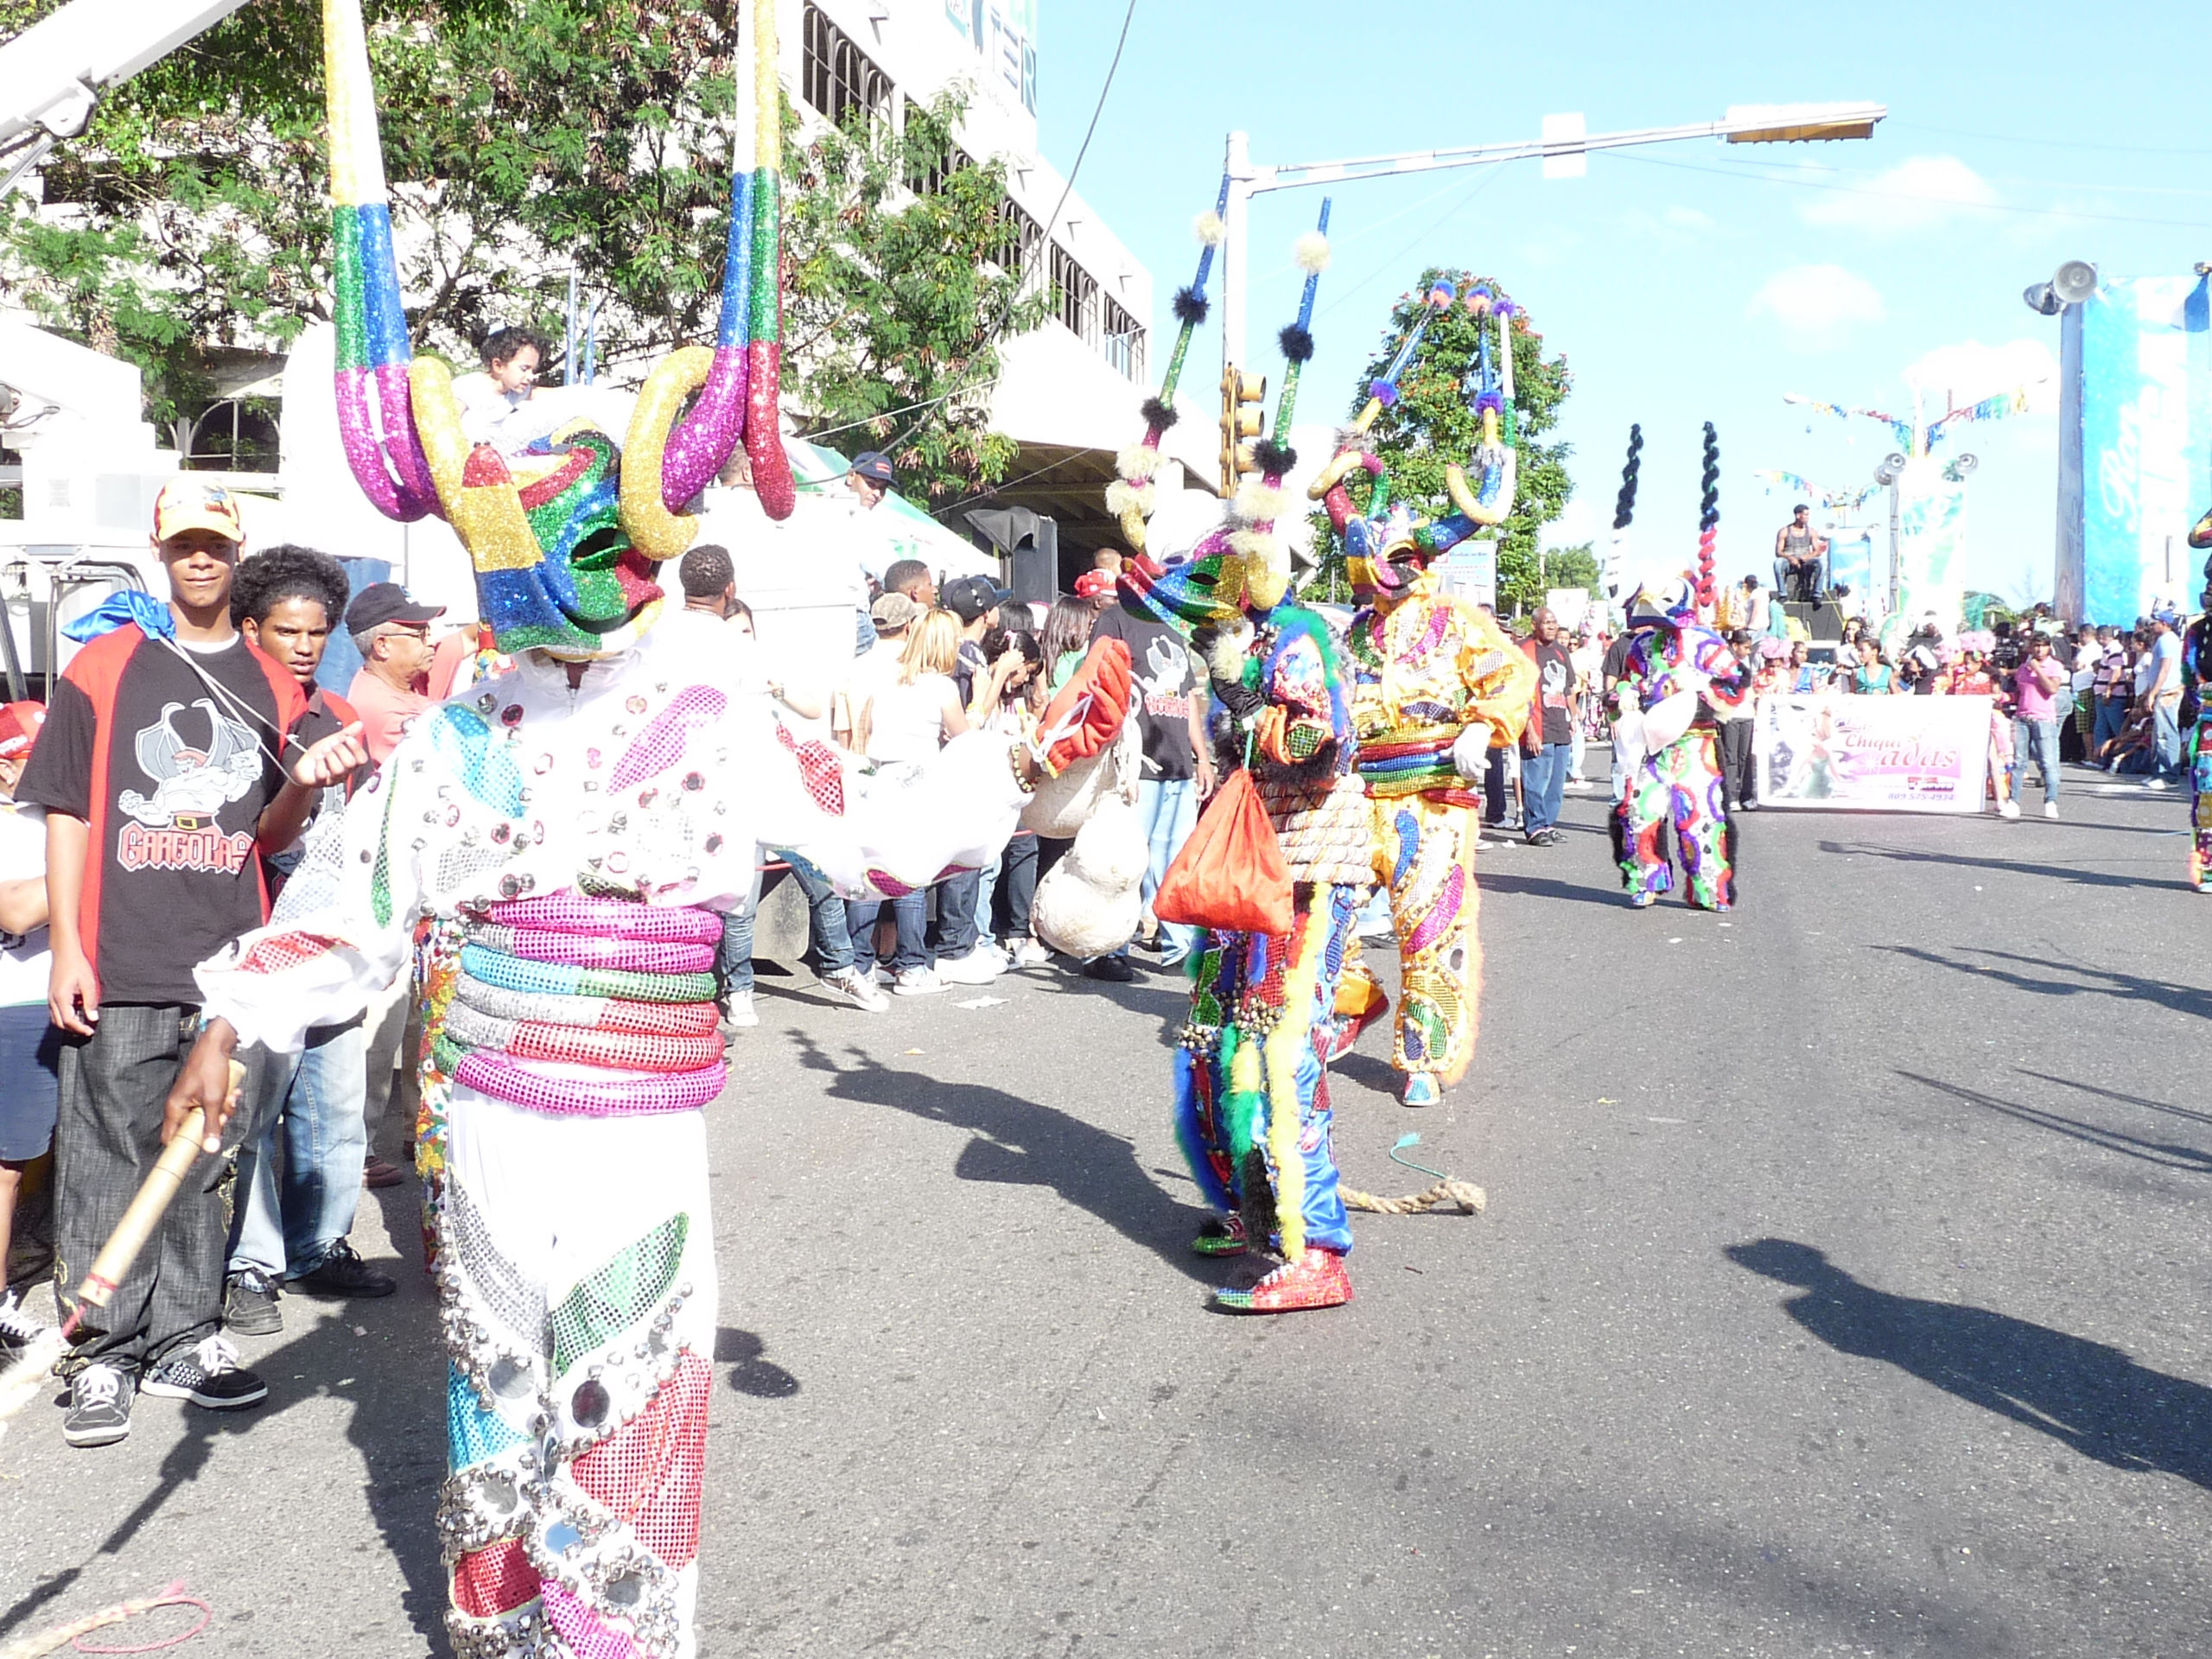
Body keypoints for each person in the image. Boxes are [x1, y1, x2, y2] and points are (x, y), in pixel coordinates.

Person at [20, 477, 365, 1448]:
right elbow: (67, 810)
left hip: (229, 973)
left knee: (208, 1159)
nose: (200, 559)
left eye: (215, 544)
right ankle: (101, 1353)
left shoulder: (276, 678)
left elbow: (273, 831)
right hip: (120, 958)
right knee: (105, 1157)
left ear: (237, 546)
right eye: (184, 546)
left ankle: (185, 1336)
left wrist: (302, 784)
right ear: (160, 551)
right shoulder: (107, 664)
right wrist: (71, 951)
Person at [221, 547, 394, 1335]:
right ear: (250, 627)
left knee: (331, 1103)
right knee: (256, 1107)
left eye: (318, 632)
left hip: (331, 940)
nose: (303, 645)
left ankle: (318, 1245)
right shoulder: (225, 717)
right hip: (251, 938)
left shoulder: (339, 718)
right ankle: (251, 1264)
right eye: (286, 630)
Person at [1090, 571, 1216, 970]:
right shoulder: (1115, 620)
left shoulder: (1177, 625)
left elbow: (1188, 696)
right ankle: (1109, 948)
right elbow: (1099, 682)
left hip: (1177, 765)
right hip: (1135, 765)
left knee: (1175, 861)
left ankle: (1177, 943)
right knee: (1124, 864)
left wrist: (1202, 756)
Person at [848, 609, 971, 995]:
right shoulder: (942, 688)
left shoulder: (888, 681)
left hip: (882, 777)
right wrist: (982, 703)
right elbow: (964, 738)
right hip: (920, 780)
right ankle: (912, 965)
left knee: (874, 872)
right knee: (912, 877)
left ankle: (859, 963)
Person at [1609, 575, 1749, 910]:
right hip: (1652, 749)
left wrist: (1701, 691)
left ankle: (1710, 888)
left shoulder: (1705, 643)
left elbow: (1736, 684)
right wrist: (1624, 696)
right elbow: (1628, 682)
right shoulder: (1641, 646)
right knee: (1640, 814)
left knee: (1701, 818)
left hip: (1695, 746)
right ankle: (1647, 880)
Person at [932, 576, 1021, 985]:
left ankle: (963, 943)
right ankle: (956, 947)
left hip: (959, 770)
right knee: (964, 858)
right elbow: (968, 723)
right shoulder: (965, 656)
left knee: (968, 857)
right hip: (960, 771)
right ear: (986, 613)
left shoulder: (960, 653)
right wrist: (999, 675)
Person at [0, 701, 54, 1363]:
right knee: (7, 1166)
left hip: (65, 995)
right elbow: (18, 910)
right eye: (30, 759)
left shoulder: (49, 820)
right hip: (15, 1005)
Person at [344, 580, 444, 764]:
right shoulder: (383, 713)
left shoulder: (412, 671)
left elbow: (470, 638)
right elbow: (451, 760)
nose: (432, 642)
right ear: (382, 646)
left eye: (429, 631)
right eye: (420, 635)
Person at [1519, 607, 1574, 846]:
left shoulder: (1561, 651)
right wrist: (1529, 729)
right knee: (1535, 782)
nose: (1551, 626)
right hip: (1537, 726)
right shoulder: (1524, 651)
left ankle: (1548, 824)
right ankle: (1534, 827)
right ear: (1535, 625)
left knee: (1556, 785)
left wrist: (1573, 718)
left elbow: (1569, 688)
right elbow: (1518, 694)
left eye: (1554, 622)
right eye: (1546, 622)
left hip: (1560, 725)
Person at [455, 325, 550, 451]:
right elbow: (445, 423)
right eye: (524, 369)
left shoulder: (513, 391)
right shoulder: (469, 387)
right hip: (460, 456)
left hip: (488, 457)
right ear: (498, 366)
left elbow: (542, 393)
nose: (531, 376)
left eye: (533, 370)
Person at [2139, 606, 2185, 786]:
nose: (2151, 625)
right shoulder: (2163, 640)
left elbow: (2165, 669)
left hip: (2167, 691)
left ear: (2164, 623)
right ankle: (2158, 771)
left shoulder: (2167, 640)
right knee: (2158, 732)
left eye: (2155, 622)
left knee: (2167, 732)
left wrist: (2153, 693)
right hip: (2162, 690)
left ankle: (2169, 775)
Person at [1714, 629, 1760, 811]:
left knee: (1745, 757)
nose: (1748, 651)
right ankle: (1730, 796)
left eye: (1750, 648)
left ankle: (1747, 796)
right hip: (1731, 715)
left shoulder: (1750, 662)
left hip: (1747, 714)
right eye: (1745, 648)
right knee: (1730, 756)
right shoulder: (1725, 663)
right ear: (1735, 646)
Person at [1775, 505, 1827, 604]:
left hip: (1805, 562)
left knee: (1823, 563)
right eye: (1805, 515)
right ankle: (1783, 595)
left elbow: (1817, 551)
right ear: (1798, 516)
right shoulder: (1784, 531)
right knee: (1778, 563)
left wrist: (1809, 556)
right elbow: (1778, 552)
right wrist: (1790, 558)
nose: (1808, 517)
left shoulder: (1811, 531)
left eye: (1808, 515)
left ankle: (1817, 594)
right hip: (1789, 563)